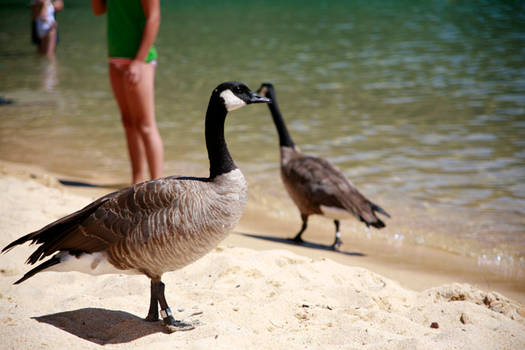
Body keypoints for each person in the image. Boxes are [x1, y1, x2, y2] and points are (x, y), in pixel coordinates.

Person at [92, 0, 164, 185]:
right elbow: (98, 10)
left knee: (146, 125)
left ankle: (157, 185)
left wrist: (139, 62)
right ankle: (137, 181)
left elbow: (154, 18)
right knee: (128, 123)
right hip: (115, 57)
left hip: (141, 59)